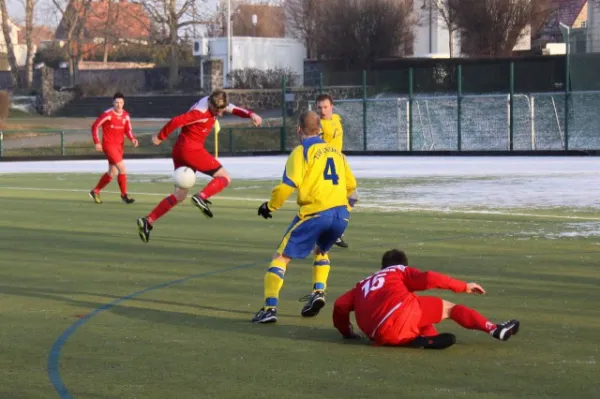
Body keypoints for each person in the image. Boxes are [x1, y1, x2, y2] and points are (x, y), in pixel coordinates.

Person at [252, 111, 358, 324]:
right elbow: (352, 189)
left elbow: (287, 186)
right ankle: (319, 292)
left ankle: (269, 308)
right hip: (340, 215)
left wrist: (270, 206)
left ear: (299, 130)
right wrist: (344, 212)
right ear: (320, 129)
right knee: (321, 250)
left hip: (315, 213)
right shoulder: (337, 153)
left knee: (281, 257)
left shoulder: (302, 152)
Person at [136, 90, 262, 243]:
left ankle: (147, 221)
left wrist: (251, 114)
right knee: (225, 177)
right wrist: (159, 137)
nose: (220, 115)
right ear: (211, 104)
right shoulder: (199, 113)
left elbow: (233, 109)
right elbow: (176, 121)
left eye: (221, 111)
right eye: (218, 111)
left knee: (179, 195)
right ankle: (202, 196)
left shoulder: (215, 101)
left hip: (180, 148)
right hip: (191, 149)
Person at [333, 249, 520, 349]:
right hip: (399, 316)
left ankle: (424, 338)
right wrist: (464, 286)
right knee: (449, 309)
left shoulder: (362, 284)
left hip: (375, 334)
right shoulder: (399, 271)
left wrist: (347, 332)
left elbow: (340, 305)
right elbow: (430, 278)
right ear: (403, 264)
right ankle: (494, 329)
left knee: (419, 310)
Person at [316, 94, 353, 248]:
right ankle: (331, 232)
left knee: (352, 196)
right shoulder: (318, 125)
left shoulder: (337, 119)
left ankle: (335, 230)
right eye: (319, 107)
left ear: (332, 106)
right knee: (328, 200)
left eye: (325, 107)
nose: (323, 110)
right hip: (328, 166)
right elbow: (317, 147)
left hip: (340, 163)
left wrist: (340, 153)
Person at [89, 92, 139, 204]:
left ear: (124, 103)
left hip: (119, 146)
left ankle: (95, 191)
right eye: (116, 102)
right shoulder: (108, 114)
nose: (118, 105)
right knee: (122, 169)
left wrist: (133, 139)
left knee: (112, 172)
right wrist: (97, 142)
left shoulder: (126, 115)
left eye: (121, 102)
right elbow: (95, 126)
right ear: (113, 102)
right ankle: (124, 195)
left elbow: (128, 130)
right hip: (109, 145)